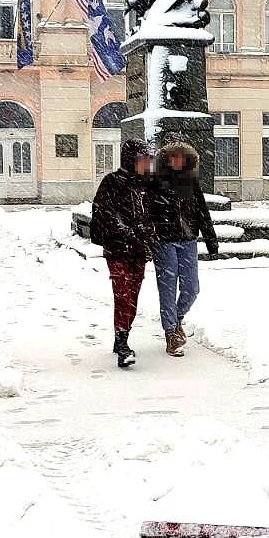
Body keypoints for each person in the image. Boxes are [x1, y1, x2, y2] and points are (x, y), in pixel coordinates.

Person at [89, 139, 156, 368]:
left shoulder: (145, 185)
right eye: (143, 159)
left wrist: (147, 234)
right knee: (123, 294)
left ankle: (122, 335)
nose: (147, 164)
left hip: (138, 251)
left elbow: (150, 215)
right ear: (132, 160)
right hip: (118, 249)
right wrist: (129, 233)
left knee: (133, 296)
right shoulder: (111, 183)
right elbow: (106, 215)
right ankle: (122, 343)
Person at [149, 141, 219, 356]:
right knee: (168, 289)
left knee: (191, 288)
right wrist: (151, 237)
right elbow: (147, 212)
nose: (177, 161)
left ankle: (177, 318)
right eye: (174, 157)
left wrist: (211, 240)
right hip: (164, 242)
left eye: (181, 157)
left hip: (188, 240)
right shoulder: (155, 182)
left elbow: (202, 212)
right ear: (166, 159)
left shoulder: (190, 182)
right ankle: (170, 333)